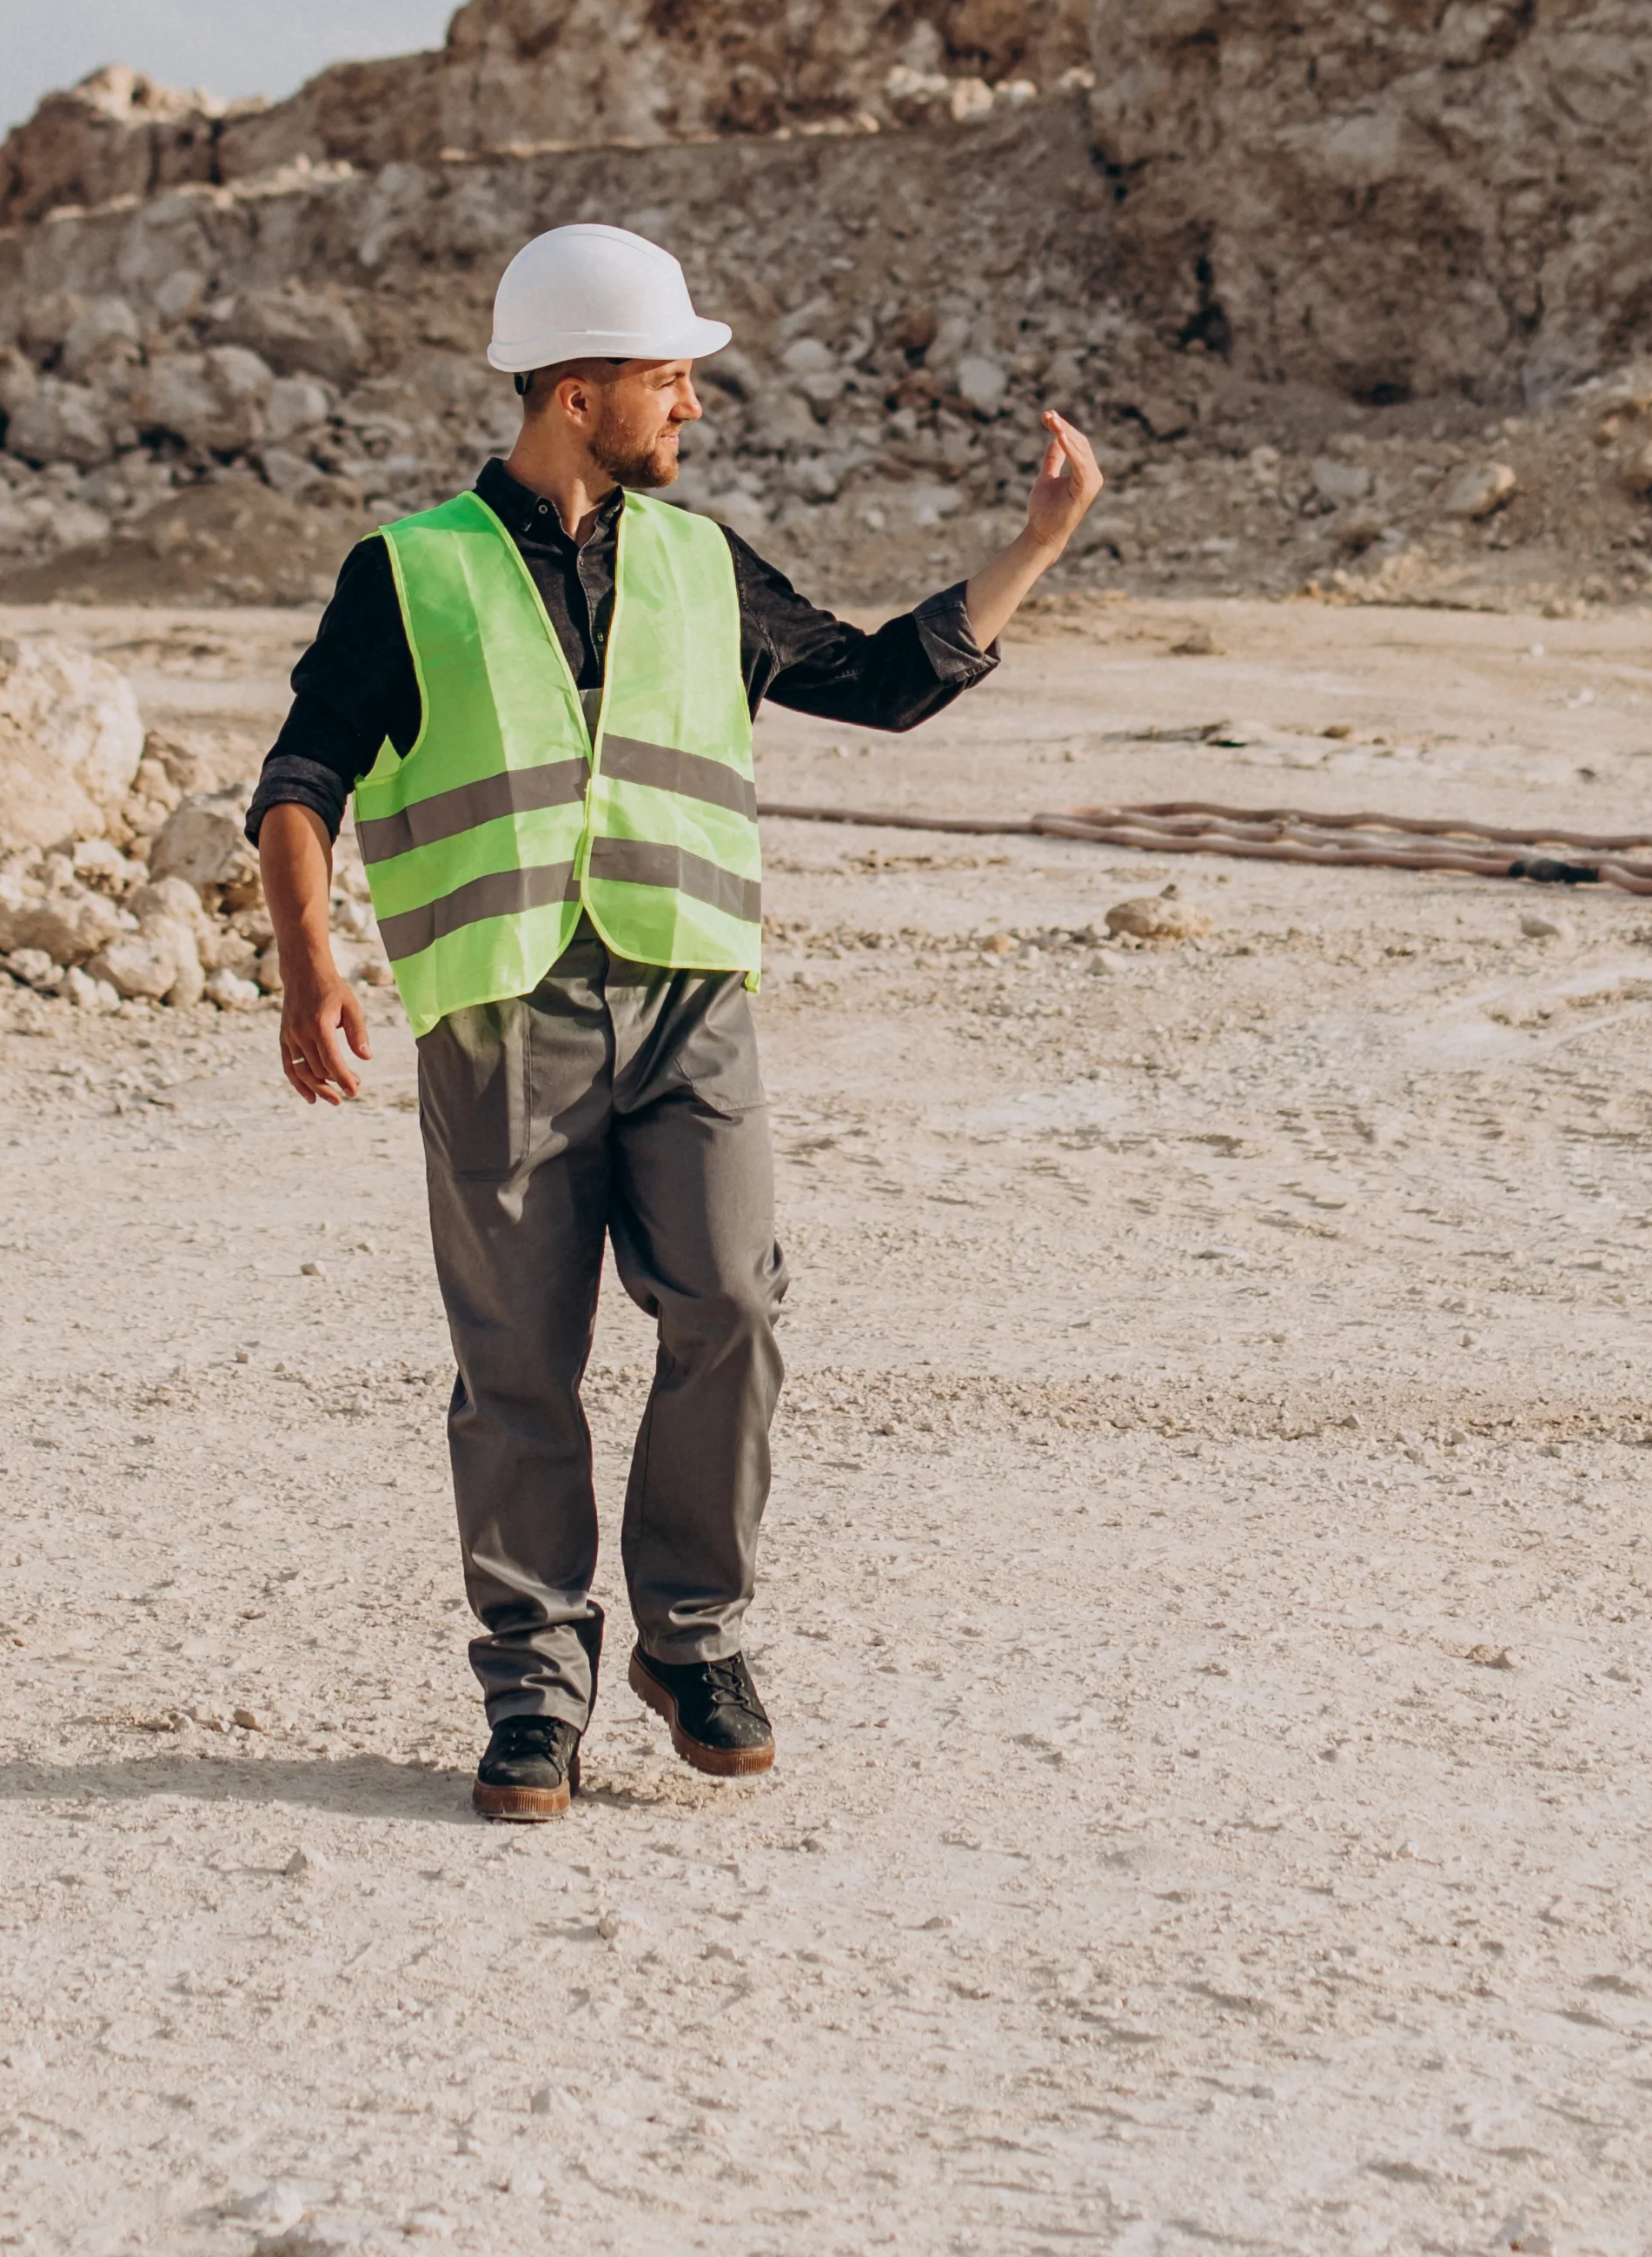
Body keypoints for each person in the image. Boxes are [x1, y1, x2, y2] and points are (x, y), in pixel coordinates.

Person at [246, 222, 1105, 1822]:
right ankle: (535, 1688)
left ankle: (689, 1641)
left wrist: (1037, 543)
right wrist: (312, 964)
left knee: (733, 1301)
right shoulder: (413, 570)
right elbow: (300, 780)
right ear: (579, 395)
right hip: (502, 1012)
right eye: (669, 379)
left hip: (689, 998)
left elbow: (877, 680)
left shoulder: (704, 565)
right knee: (519, 1363)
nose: (693, 408)